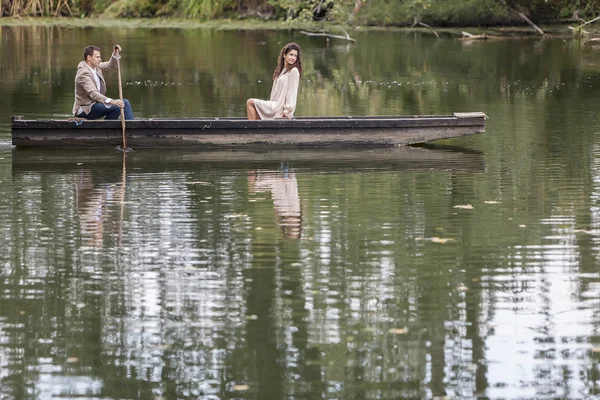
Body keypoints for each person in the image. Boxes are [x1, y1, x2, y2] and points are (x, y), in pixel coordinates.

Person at [72, 44, 134, 120]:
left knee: (120, 105)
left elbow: (110, 65)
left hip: (95, 105)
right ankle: (133, 129)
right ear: (89, 58)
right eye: (97, 57)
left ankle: (108, 130)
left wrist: (115, 53)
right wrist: (111, 101)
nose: (100, 59)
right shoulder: (83, 73)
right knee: (123, 103)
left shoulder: (95, 67)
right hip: (85, 109)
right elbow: (93, 93)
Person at [246, 42, 302, 120]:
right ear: (284, 55)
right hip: (274, 105)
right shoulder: (281, 71)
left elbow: (292, 92)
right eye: (291, 54)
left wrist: (287, 110)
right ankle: (254, 130)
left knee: (250, 102)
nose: (293, 58)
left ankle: (250, 131)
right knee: (254, 112)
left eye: (295, 56)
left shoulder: (294, 71)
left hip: (280, 108)